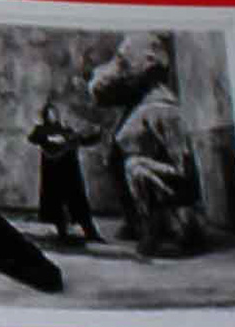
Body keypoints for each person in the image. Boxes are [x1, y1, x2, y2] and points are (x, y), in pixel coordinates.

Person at [90, 32, 201, 259]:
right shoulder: (139, 105)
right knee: (122, 160)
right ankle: (137, 223)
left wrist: (143, 166)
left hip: (171, 194)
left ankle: (163, 231)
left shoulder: (163, 109)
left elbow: (183, 167)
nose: (117, 68)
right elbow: (102, 89)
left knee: (135, 167)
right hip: (150, 186)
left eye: (123, 62)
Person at [25, 101, 95, 244]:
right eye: (49, 113)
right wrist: (49, 139)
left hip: (70, 171)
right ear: (45, 115)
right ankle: (62, 232)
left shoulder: (66, 130)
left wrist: (93, 135)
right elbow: (33, 138)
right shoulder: (41, 130)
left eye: (54, 113)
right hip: (53, 173)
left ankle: (90, 232)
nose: (52, 116)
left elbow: (82, 140)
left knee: (77, 200)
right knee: (55, 203)